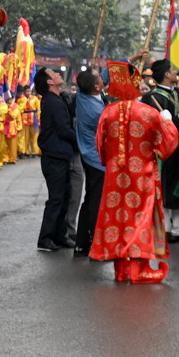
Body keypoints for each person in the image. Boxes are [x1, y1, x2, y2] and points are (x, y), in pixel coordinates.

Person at [89, 77, 179, 282]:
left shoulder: (108, 112)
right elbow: (167, 145)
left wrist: (111, 161)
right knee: (140, 218)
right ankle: (139, 269)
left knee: (117, 219)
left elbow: (100, 144)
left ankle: (121, 270)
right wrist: (167, 121)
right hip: (142, 176)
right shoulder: (149, 112)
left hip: (115, 175)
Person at [139, 60, 179, 240]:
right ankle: (164, 228)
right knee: (163, 187)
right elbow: (151, 126)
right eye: (173, 70)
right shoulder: (151, 98)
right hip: (161, 151)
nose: (176, 72)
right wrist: (176, 119)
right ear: (167, 74)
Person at [35, 67, 77, 252]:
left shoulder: (58, 99)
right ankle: (45, 238)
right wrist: (83, 140)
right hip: (54, 155)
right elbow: (63, 129)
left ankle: (60, 235)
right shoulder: (53, 102)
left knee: (65, 196)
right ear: (49, 82)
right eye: (54, 74)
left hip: (61, 154)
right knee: (56, 198)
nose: (59, 74)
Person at [72, 68, 107, 255]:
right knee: (96, 202)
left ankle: (82, 242)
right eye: (100, 77)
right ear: (96, 86)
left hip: (90, 156)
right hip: (96, 159)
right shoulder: (96, 110)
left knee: (90, 199)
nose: (103, 78)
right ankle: (95, 242)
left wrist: (133, 58)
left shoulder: (83, 95)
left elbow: (108, 74)